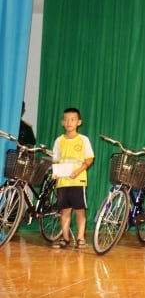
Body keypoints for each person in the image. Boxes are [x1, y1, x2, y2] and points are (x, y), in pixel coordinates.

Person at [51, 107, 94, 249]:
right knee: (65, 211)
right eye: (66, 119)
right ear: (62, 122)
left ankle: (81, 238)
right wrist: (55, 172)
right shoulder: (59, 141)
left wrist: (78, 171)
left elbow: (88, 160)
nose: (69, 122)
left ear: (79, 122)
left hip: (78, 180)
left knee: (79, 210)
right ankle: (65, 238)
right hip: (63, 181)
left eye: (73, 119)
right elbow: (56, 160)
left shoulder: (83, 140)